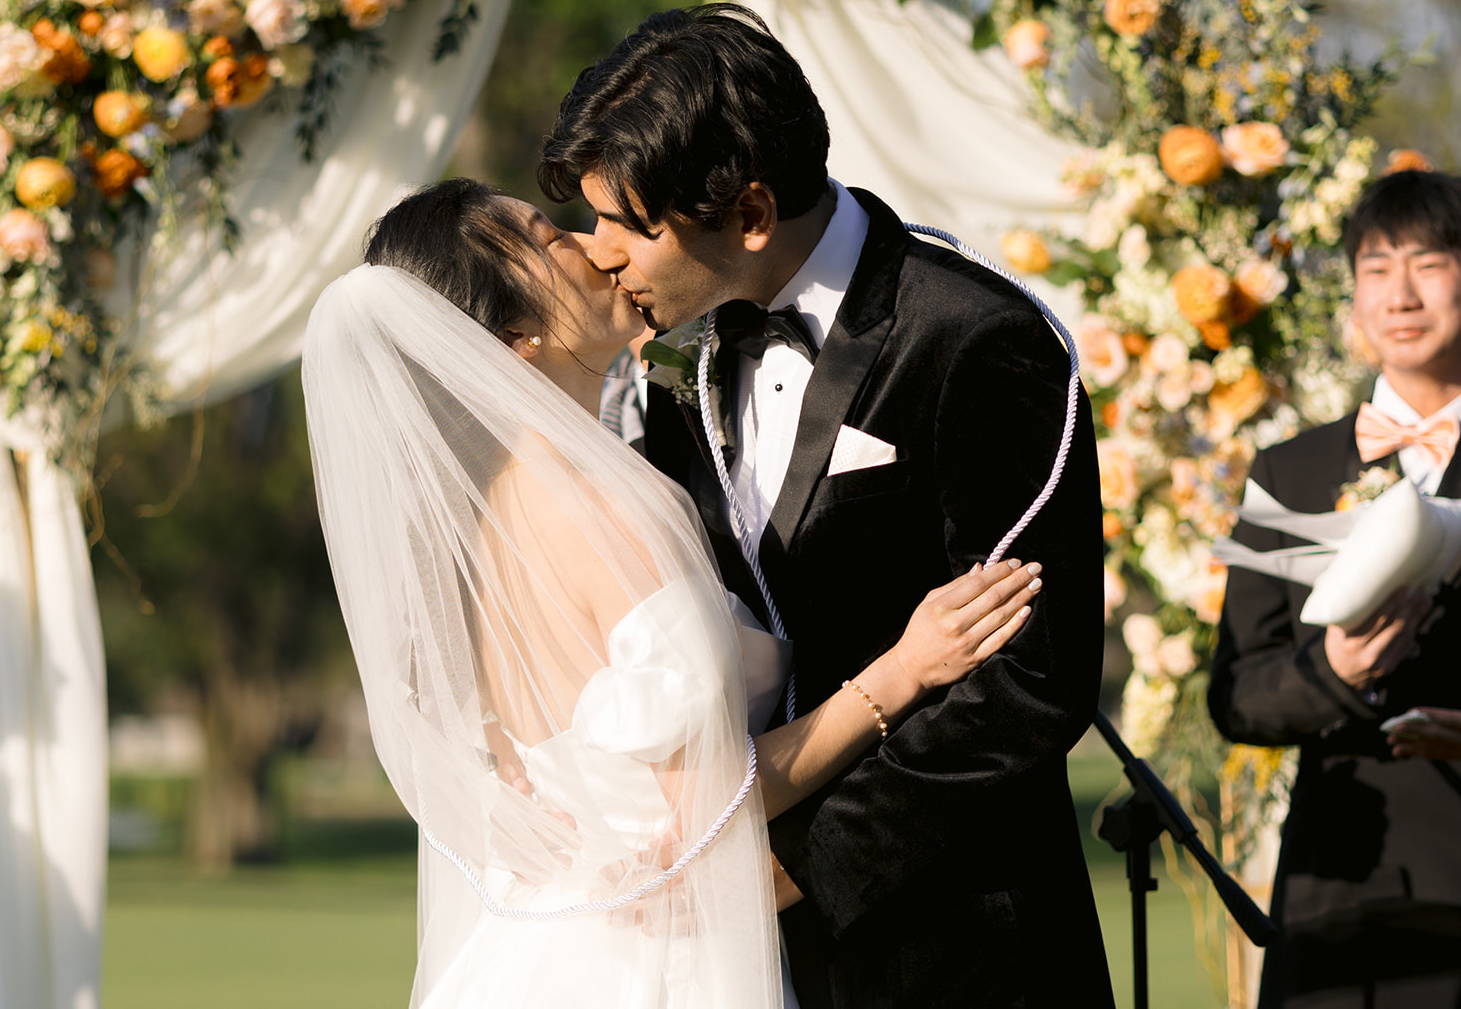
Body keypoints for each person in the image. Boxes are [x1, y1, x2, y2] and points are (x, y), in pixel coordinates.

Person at [301, 177, 1047, 1007]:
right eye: (553, 240)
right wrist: (899, 675)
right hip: (652, 964)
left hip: (546, 950)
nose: (593, 245)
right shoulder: (597, 500)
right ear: (518, 338)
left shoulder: (487, 524)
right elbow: (706, 808)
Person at [539, 5, 1111, 1008]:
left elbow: (1030, 678)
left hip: (957, 944)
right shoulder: (682, 354)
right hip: (729, 946)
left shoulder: (977, 338)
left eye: (626, 226)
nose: (597, 255)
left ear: (749, 213)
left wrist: (799, 865)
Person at [1210, 168, 1461, 1006]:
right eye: (1377, 268)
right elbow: (1237, 694)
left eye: (1428, 262)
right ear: (1354, 299)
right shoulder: (1294, 470)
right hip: (1347, 886)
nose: (1402, 292)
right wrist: (1335, 671)